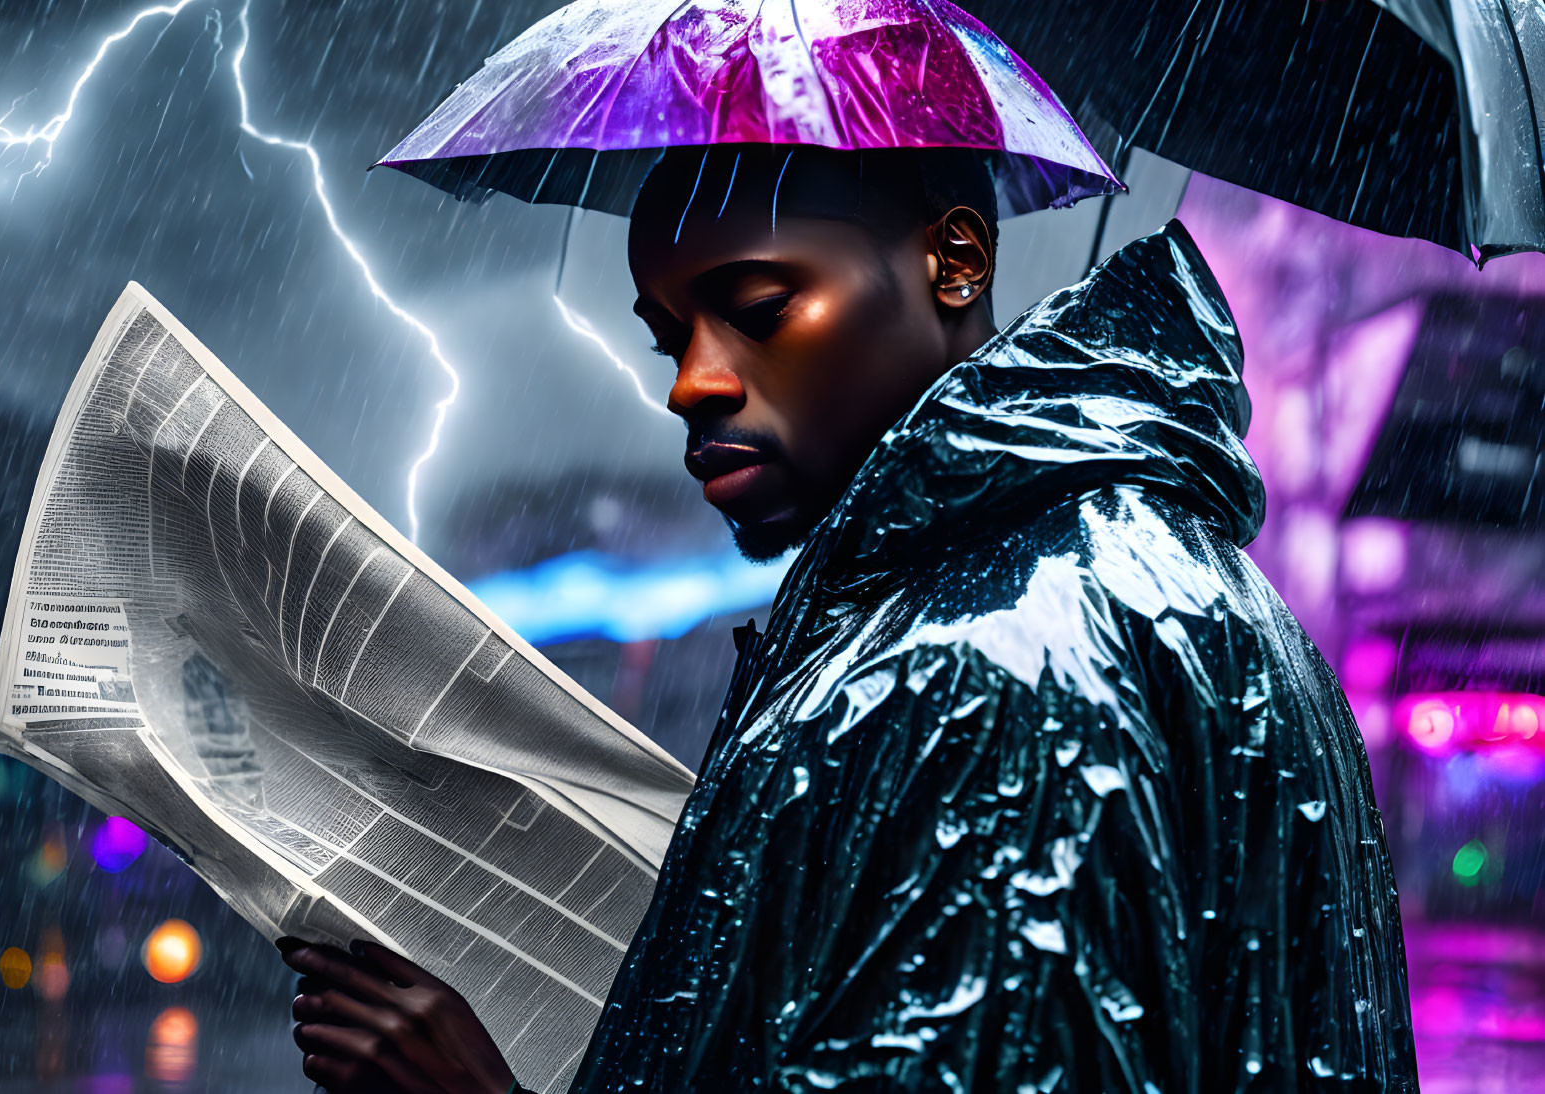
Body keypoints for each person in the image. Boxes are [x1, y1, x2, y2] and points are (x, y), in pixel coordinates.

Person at [282, 143, 1418, 1092]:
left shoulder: (994, 664)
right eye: (667, 335)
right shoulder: (1139, 585)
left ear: (954, 261)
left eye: (757, 308)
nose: (691, 382)